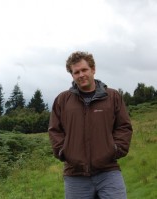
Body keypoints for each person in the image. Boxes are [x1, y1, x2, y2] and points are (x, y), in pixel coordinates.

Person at [48, 51, 133, 199]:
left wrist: (115, 149)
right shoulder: (62, 100)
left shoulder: (113, 97)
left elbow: (123, 127)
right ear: (72, 75)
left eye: (84, 70)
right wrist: (63, 151)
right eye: (76, 72)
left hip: (108, 171)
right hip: (75, 175)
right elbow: (55, 130)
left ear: (93, 69)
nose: (81, 75)